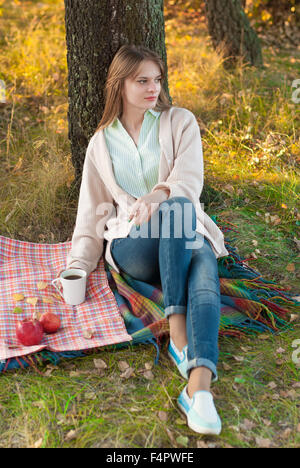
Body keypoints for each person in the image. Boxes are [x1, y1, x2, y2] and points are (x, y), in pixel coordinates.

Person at [61, 44, 230, 435]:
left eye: (157, 80)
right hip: (133, 246)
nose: (153, 88)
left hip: (183, 232)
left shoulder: (180, 122)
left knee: (201, 260)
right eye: (142, 81)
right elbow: (91, 214)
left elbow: (188, 183)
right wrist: (77, 268)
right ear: (120, 85)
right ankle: (178, 332)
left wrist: (158, 195)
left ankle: (199, 387)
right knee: (180, 218)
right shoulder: (100, 145)